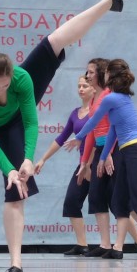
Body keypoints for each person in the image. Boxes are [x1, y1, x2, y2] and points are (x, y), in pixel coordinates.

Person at [0, 0, 136, 272]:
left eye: (6, 84)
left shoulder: (21, 79)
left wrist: (29, 159)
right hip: (1, 130)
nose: (2, 90)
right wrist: (11, 169)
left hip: (19, 121)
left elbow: (30, 122)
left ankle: (109, 1)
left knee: (53, 42)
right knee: (14, 189)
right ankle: (16, 264)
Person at [65, 59, 137, 260]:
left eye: (102, 73)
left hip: (136, 151)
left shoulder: (111, 99)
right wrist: (103, 157)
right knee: (119, 202)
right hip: (125, 152)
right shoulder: (116, 99)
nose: (98, 75)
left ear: (109, 76)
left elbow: (93, 122)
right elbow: (112, 130)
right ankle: (118, 248)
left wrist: (78, 138)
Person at [33, 75, 94, 256]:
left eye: (85, 85)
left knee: (117, 204)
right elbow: (61, 138)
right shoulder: (76, 113)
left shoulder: (98, 111)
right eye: (79, 86)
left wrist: (90, 164)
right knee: (71, 202)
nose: (81, 89)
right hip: (83, 165)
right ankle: (82, 245)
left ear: (94, 89)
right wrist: (43, 159)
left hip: (97, 164)